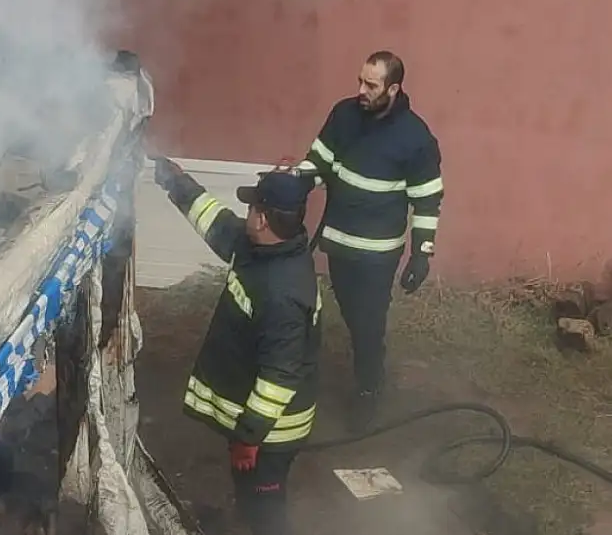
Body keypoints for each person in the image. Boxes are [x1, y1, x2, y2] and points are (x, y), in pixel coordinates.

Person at [151, 156, 321, 535]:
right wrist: (177, 182)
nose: (246, 214)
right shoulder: (267, 249)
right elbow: (214, 221)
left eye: (252, 207)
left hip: (271, 434)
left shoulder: (282, 294)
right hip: (258, 428)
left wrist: (248, 438)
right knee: (251, 500)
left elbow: (280, 376)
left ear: (262, 218)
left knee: (266, 512)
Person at [296, 50, 444, 430]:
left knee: (368, 321)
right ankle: (366, 361)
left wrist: (421, 253)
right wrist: (290, 185)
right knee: (350, 312)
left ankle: (368, 389)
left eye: (371, 85)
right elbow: (319, 160)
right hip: (340, 243)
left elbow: (427, 198)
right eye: (360, 81)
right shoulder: (344, 115)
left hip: (378, 255)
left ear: (393, 88)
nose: (361, 90)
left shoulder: (416, 138)